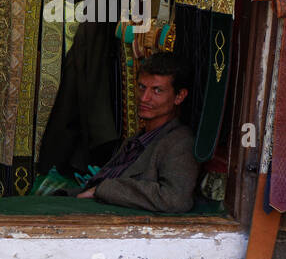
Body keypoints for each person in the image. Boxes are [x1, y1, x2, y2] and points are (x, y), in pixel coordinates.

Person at [76, 51, 198, 212]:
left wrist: (103, 190)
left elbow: (175, 198)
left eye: (157, 91)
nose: (144, 98)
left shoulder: (180, 142)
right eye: (141, 87)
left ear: (179, 96)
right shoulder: (139, 139)